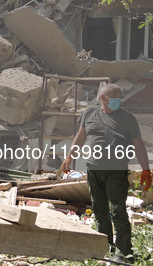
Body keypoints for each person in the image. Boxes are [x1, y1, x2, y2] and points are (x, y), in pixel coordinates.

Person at [60, 84, 151, 262]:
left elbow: (138, 145)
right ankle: (106, 248)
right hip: (94, 169)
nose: (119, 99)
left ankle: (124, 252)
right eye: (114, 95)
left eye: (120, 95)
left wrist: (146, 169)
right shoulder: (89, 114)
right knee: (99, 210)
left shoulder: (127, 118)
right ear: (103, 98)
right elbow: (80, 136)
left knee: (117, 210)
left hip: (116, 170)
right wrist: (69, 157)